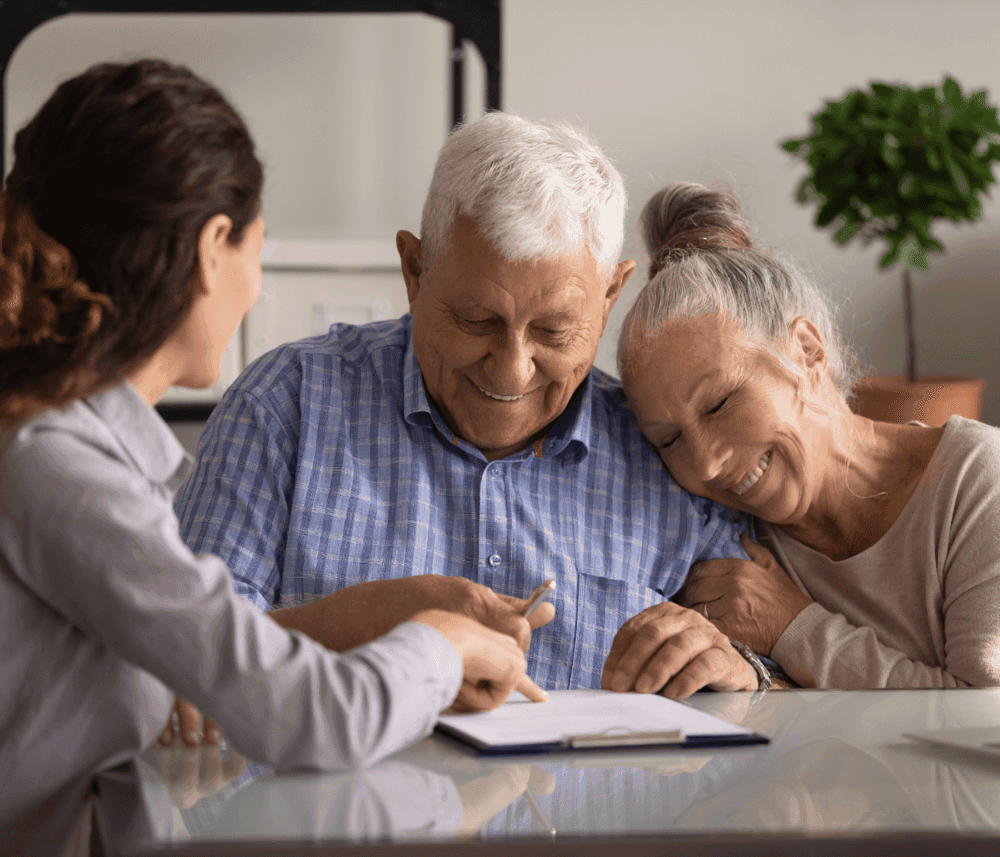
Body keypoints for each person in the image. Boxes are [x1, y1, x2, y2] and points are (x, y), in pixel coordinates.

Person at [0, 59, 548, 840]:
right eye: (257, 251)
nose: (254, 286)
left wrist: (373, 626)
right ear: (211, 247)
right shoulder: (62, 464)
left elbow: (209, 650)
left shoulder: (58, 444)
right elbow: (311, 719)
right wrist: (438, 646)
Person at [175, 113, 767, 707]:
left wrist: (744, 674)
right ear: (414, 270)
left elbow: (771, 674)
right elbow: (173, 667)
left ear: (610, 295)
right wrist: (354, 626)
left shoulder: (674, 444)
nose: (512, 370)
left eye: (555, 331)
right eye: (476, 321)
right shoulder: (285, 407)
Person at [615, 180, 1000, 689]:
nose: (705, 464)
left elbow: (979, 715)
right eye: (669, 441)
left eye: (719, 404)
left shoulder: (977, 480)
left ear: (806, 350)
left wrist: (794, 629)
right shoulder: (723, 537)